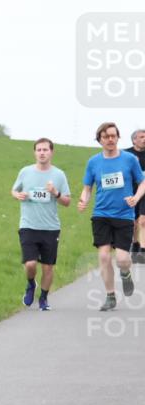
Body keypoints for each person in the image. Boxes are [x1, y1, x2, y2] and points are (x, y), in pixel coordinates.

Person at [77, 122, 145, 311]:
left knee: (123, 259)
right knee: (104, 256)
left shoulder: (130, 159)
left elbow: (142, 182)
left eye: (114, 136)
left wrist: (136, 197)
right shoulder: (93, 162)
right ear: (99, 139)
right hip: (101, 214)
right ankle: (110, 296)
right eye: (106, 136)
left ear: (118, 137)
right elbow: (87, 188)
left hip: (124, 215)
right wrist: (83, 200)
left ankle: (125, 274)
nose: (110, 139)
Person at [11, 138, 71, 310]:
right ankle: (31, 284)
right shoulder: (25, 172)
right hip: (28, 225)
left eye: (45, 150)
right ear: (34, 153)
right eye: (39, 150)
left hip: (50, 228)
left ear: (51, 152)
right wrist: (17, 195)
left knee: (47, 267)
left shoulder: (59, 175)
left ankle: (43, 299)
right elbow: (14, 190)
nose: (42, 153)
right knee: (30, 264)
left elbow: (67, 202)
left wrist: (55, 193)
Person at [126, 128, 145, 263]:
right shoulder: (127, 154)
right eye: (142, 137)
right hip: (131, 191)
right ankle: (134, 245)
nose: (144, 139)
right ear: (134, 140)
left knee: (143, 220)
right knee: (132, 221)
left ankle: (143, 251)